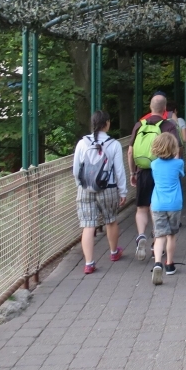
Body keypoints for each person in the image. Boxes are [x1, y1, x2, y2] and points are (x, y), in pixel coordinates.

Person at [73, 110, 127, 275]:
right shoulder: (114, 144)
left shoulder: (82, 143)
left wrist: (80, 185)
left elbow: (76, 170)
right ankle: (113, 252)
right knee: (110, 220)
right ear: (107, 123)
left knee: (88, 225)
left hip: (85, 189)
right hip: (108, 188)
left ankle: (89, 263)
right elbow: (119, 170)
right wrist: (122, 191)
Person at [129, 94, 180, 263]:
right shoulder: (168, 125)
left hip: (143, 171)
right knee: (155, 207)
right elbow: (177, 152)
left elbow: (130, 151)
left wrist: (133, 172)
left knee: (142, 208)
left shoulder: (139, 125)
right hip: (162, 174)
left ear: (150, 107)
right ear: (165, 109)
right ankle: (155, 243)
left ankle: (141, 235)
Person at [149, 131, 184, 285]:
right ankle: (169, 264)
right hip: (174, 204)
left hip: (157, 204)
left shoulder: (154, 164)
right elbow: (179, 174)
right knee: (171, 235)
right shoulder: (179, 163)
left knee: (159, 236)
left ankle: (158, 263)